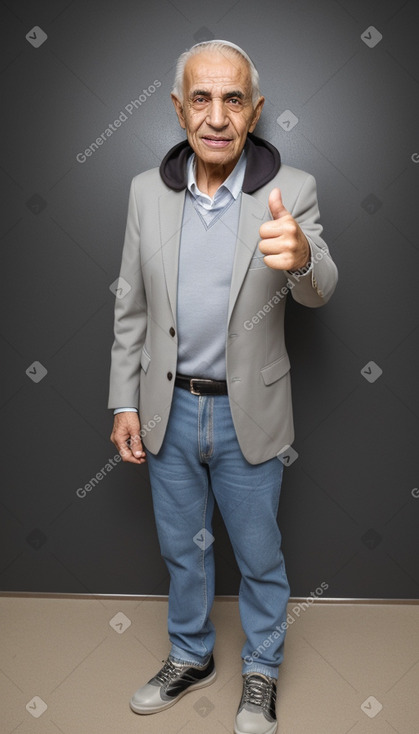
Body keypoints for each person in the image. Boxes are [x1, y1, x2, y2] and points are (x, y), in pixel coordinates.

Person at [108, 39, 338, 734]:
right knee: (182, 550)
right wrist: (124, 398)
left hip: (251, 411)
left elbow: (321, 290)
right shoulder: (145, 193)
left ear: (254, 110)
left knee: (259, 553)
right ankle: (190, 656)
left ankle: (262, 669)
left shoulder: (289, 189)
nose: (216, 116)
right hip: (165, 409)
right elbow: (131, 306)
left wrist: (301, 259)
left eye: (232, 99)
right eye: (200, 99)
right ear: (178, 110)